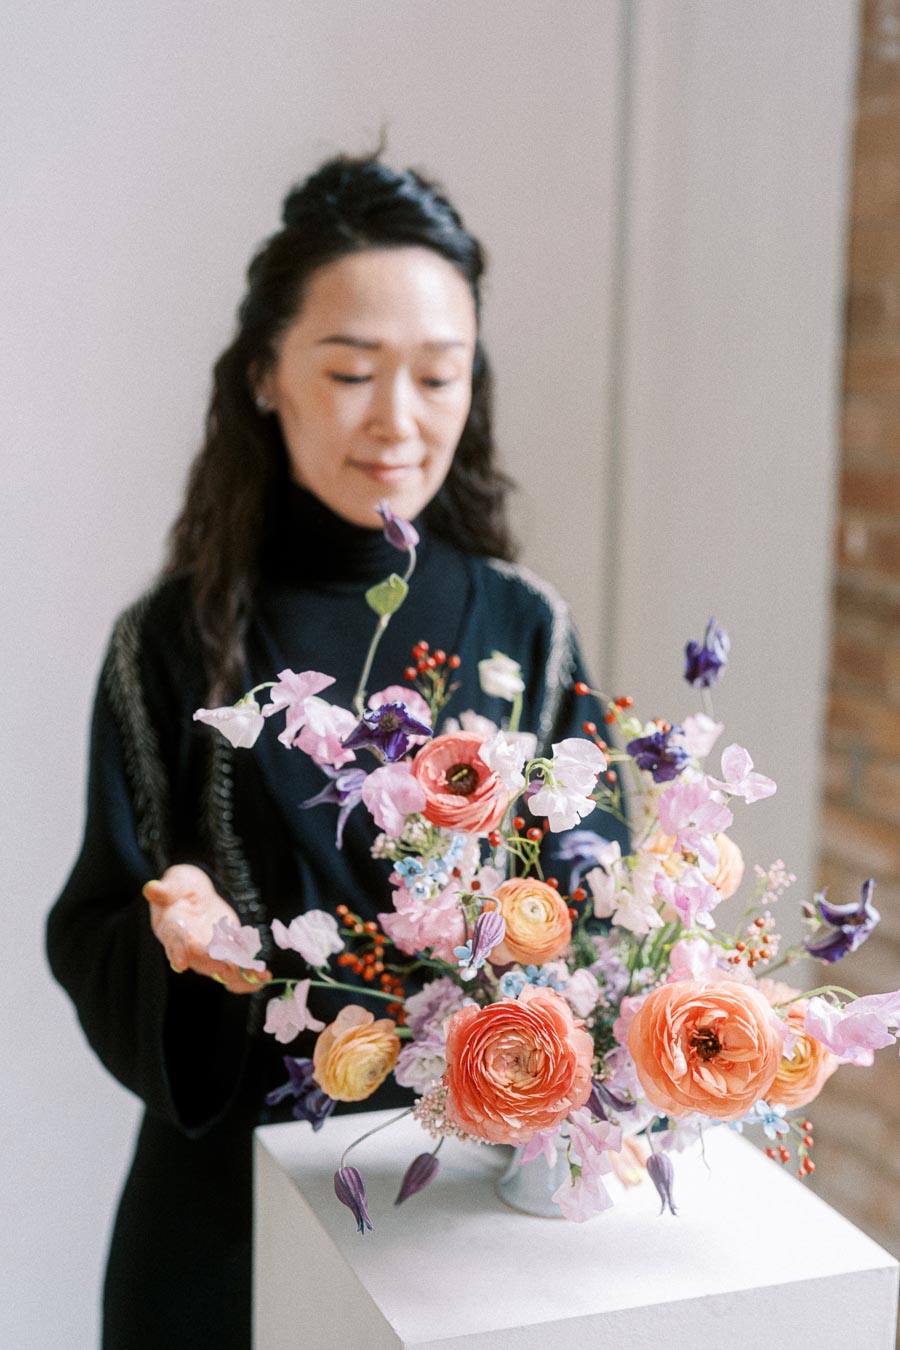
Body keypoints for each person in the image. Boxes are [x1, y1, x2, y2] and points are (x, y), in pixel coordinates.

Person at [46, 152, 629, 1350]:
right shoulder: (173, 639)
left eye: (439, 375)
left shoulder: (527, 625)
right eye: (353, 372)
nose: (399, 420)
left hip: (468, 1223)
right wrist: (183, 939)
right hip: (224, 1232)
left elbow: (601, 901)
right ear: (265, 375)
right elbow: (96, 920)